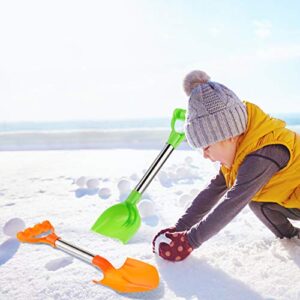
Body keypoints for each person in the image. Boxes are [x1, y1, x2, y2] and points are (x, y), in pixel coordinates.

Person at [152, 70, 300, 262]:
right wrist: (179, 228)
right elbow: (214, 190)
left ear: (227, 136)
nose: (205, 155)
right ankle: (292, 239)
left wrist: (189, 241)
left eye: (206, 147)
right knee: (256, 200)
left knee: (245, 196)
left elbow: (233, 201)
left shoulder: (265, 152)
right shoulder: (241, 151)